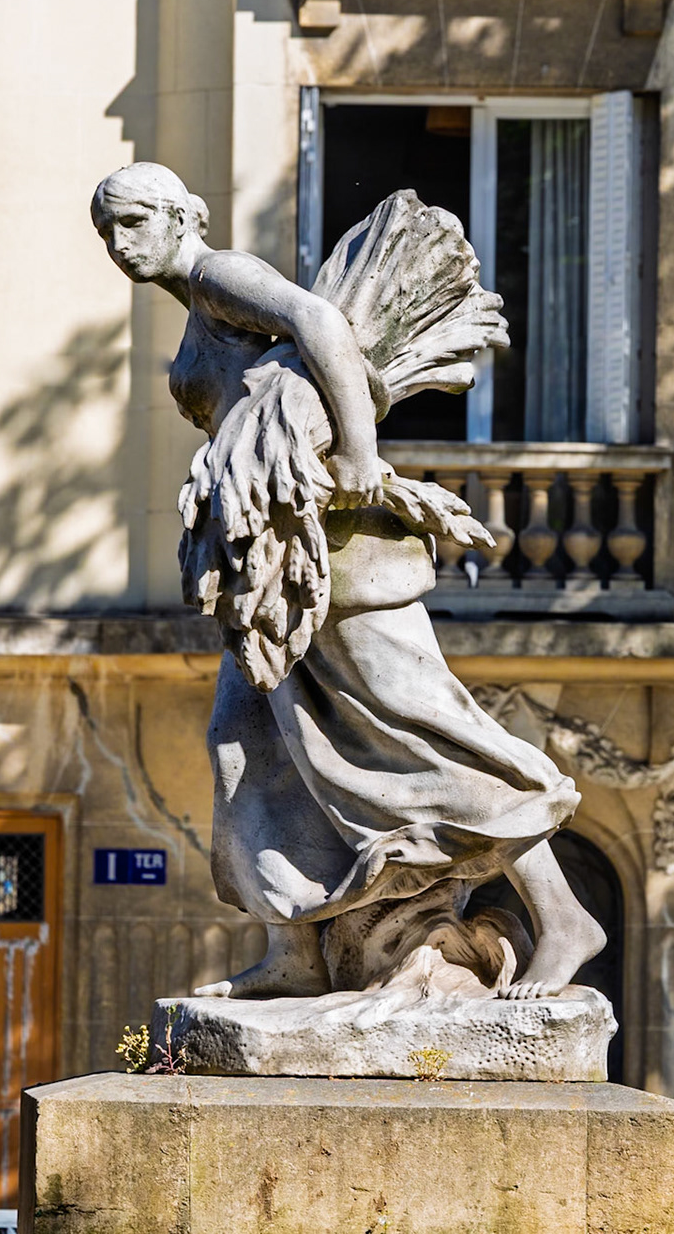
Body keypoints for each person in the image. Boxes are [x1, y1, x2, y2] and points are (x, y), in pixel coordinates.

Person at [90, 162, 606, 1000]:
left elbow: (322, 323)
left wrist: (362, 457)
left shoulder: (222, 276)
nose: (121, 244)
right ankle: (293, 953)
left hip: (342, 549)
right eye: (108, 229)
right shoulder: (196, 321)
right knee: (248, 749)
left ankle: (562, 917)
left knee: (426, 733)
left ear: (187, 216)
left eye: (137, 221)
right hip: (278, 565)